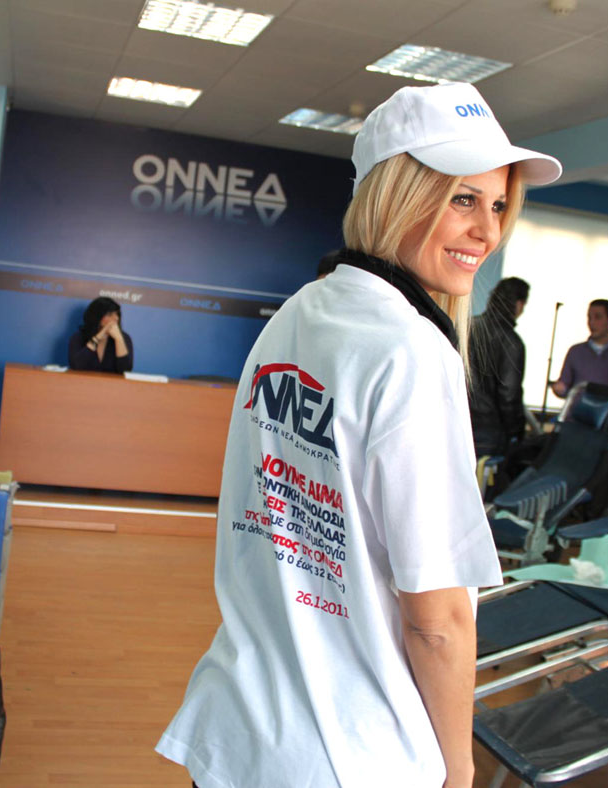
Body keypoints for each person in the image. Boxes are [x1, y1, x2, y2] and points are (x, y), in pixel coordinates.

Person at [156, 82, 561, 788]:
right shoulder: (410, 351)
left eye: (497, 206)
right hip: (350, 755)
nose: (487, 232)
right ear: (396, 195)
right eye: (462, 199)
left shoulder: (298, 313)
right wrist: (459, 768)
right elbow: (437, 619)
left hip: (243, 731)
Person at [551, 298, 608, 433]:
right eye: (589, 317)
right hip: (575, 425)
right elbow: (566, 388)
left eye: (598, 317)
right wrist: (559, 389)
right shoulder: (575, 351)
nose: (592, 323)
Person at [468, 276, 530, 457]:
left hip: (455, 421)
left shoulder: (467, 327)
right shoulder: (511, 343)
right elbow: (508, 395)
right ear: (519, 304)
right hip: (488, 431)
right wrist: (516, 432)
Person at [67, 296, 133, 373]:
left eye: (117, 314)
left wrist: (118, 339)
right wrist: (98, 337)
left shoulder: (124, 338)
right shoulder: (79, 337)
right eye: (110, 314)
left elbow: (125, 370)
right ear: (97, 316)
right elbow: (76, 366)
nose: (116, 318)